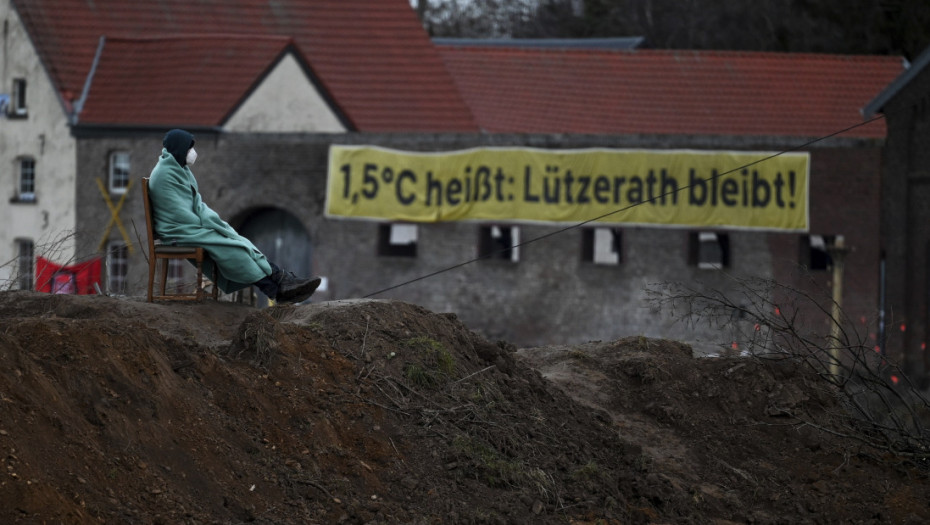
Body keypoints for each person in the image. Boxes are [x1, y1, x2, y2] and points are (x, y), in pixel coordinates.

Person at [148, 129, 321, 304]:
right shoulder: (164, 175)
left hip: (189, 227)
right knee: (233, 247)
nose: (192, 153)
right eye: (188, 148)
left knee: (240, 241)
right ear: (179, 149)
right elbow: (179, 213)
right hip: (178, 232)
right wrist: (207, 226)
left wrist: (214, 222)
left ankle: (281, 282)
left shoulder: (179, 169)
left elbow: (197, 204)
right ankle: (278, 289)